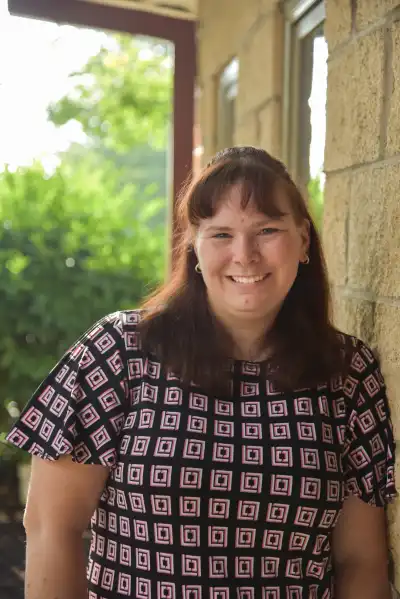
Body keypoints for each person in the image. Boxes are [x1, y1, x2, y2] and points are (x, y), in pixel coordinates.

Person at [6, 146, 396, 599]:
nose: (244, 254)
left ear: (304, 240)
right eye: (221, 234)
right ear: (194, 244)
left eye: (267, 230)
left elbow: (360, 561)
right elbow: (52, 526)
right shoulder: (120, 352)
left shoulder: (348, 373)